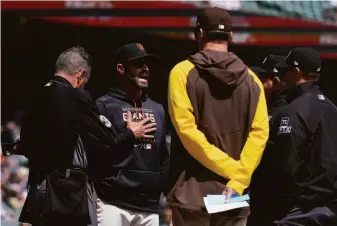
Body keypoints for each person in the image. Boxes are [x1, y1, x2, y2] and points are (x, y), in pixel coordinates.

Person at [14, 46, 156, 226]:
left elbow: (25, 144)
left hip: (37, 188)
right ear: (80, 75)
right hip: (65, 193)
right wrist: (130, 133)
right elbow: (107, 140)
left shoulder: (37, 94)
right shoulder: (76, 96)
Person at [167, 7, 269, 226]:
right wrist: (239, 176)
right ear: (231, 36)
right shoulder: (254, 81)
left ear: (200, 33)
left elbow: (187, 131)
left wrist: (231, 169)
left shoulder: (181, 72)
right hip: (233, 194)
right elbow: (259, 134)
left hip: (193, 195)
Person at [251, 47, 337, 225]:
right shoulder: (332, 107)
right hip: (330, 205)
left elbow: (287, 166)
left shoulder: (293, 111)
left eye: (285, 72)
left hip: (302, 208)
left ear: (296, 72)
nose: (283, 78)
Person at [95, 43, 170, 226]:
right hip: (111, 203)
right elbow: (96, 153)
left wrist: (161, 192)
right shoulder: (104, 106)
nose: (145, 69)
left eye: (147, 64)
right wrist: (129, 134)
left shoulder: (158, 109)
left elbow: (164, 158)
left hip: (149, 207)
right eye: (138, 64)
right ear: (121, 68)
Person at [248, 55, 289, 225]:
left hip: (271, 196)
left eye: (262, 78)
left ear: (277, 82)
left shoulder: (284, 112)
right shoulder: (265, 106)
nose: (258, 82)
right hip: (255, 191)